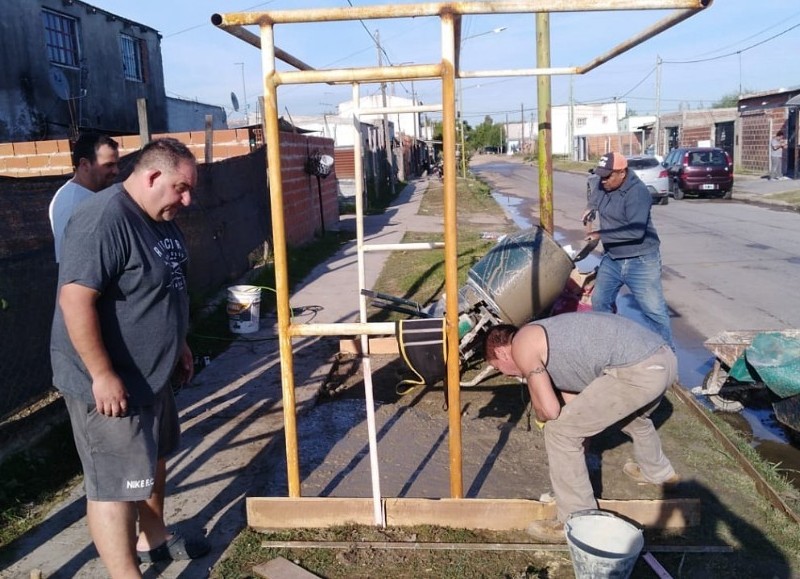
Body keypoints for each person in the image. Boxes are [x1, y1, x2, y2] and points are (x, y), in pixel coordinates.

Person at [50, 138, 209, 576]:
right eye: (181, 187)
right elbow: (75, 302)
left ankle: (153, 538)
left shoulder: (157, 216)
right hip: (109, 382)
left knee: (152, 460)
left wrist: (178, 341)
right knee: (115, 486)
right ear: (152, 175)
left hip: (152, 374)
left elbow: (163, 284)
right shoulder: (102, 220)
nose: (187, 198)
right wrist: (102, 374)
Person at [483, 312, 679, 543]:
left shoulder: (521, 344)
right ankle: (658, 472)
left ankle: (577, 520)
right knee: (632, 417)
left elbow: (550, 410)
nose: (508, 375)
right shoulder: (550, 347)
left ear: (501, 352)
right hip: (663, 360)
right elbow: (577, 407)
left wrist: (542, 416)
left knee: (559, 432)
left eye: (501, 369)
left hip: (637, 369)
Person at [581, 152, 673, 348]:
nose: (603, 180)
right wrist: (591, 207)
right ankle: (609, 347)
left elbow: (635, 232)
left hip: (641, 260)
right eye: (602, 175)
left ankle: (668, 358)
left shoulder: (638, 193)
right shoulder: (603, 182)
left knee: (654, 311)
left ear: (622, 173)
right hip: (613, 258)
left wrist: (600, 234)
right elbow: (595, 186)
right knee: (600, 301)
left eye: (608, 176)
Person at [48, 133, 120, 262]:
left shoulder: (94, 194)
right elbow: (74, 261)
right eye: (108, 165)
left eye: (116, 164)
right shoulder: (72, 204)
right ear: (85, 165)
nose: (116, 171)